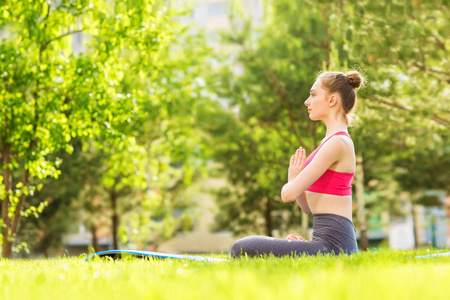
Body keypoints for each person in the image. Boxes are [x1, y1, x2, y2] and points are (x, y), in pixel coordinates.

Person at [230, 71, 362, 258]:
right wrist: (294, 179)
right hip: (326, 243)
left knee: (241, 247)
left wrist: (292, 183)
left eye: (313, 94)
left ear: (332, 100)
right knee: (245, 247)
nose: (307, 101)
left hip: (334, 246)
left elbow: (287, 194)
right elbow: (308, 207)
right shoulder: (331, 141)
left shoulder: (337, 143)